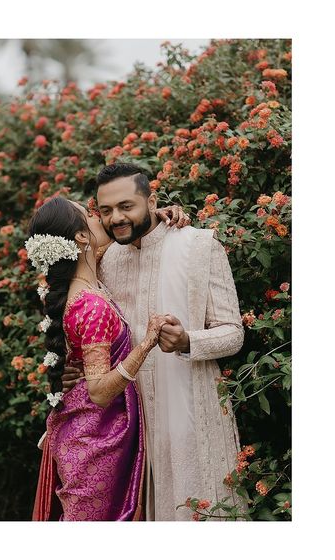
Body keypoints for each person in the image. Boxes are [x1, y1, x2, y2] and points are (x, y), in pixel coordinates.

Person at [65, 163, 246, 521]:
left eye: (127, 206)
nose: (116, 217)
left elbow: (234, 332)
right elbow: (92, 334)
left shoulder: (199, 246)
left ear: (153, 201)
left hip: (191, 412)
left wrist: (187, 341)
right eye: (106, 210)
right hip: (132, 426)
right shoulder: (106, 261)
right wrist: (74, 371)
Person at [28, 196, 172, 521]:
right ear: (80, 237)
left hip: (86, 435)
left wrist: (156, 218)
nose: (102, 218)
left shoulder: (88, 283)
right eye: (91, 214)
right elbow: (99, 391)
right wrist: (147, 343)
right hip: (95, 443)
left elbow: (128, 237)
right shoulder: (90, 305)